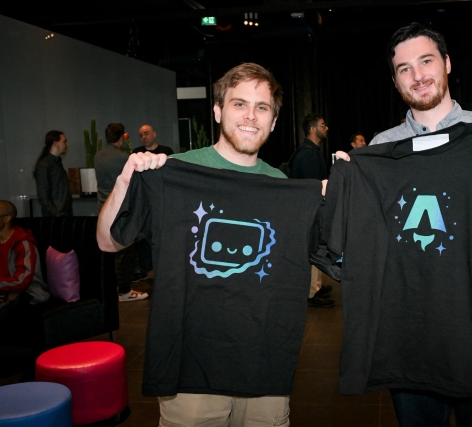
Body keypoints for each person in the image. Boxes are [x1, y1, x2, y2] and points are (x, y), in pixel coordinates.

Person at [334, 23, 472, 426]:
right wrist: (347, 184)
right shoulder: (382, 148)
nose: (417, 75)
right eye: (405, 68)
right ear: (395, 79)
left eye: (426, 61)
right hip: (410, 332)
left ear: (447, 64)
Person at [97, 63, 325, 427]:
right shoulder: (174, 172)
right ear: (218, 111)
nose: (251, 116)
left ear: (274, 120)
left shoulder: (282, 186)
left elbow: (332, 252)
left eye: (262, 107)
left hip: (263, 367)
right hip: (191, 370)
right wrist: (126, 180)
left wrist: (337, 195)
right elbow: (107, 242)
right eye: (239, 104)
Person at [95, 123, 148, 303]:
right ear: (121, 138)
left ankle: (111, 289)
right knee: (126, 252)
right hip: (121, 212)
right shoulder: (125, 158)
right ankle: (124, 291)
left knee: (108, 254)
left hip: (103, 209)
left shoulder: (98, 156)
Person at [291, 114, 334, 308]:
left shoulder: (312, 151)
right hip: (308, 210)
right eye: (323, 125)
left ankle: (315, 287)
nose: (326, 128)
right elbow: (311, 186)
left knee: (315, 246)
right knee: (312, 247)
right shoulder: (307, 154)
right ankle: (310, 292)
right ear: (312, 129)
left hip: (311, 209)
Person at [0, 200, 50, 344]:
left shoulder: (23, 243)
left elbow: (22, 280)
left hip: (28, 293)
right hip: (1, 290)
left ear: (7, 218)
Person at [130, 124, 174, 281]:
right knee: (143, 238)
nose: (144, 137)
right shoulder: (136, 153)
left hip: (162, 201)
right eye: (141, 134)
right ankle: (143, 269)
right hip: (144, 201)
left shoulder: (166, 152)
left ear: (154, 134)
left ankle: (162, 270)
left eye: (146, 133)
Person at [33, 130, 73, 217]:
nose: (67, 145)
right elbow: (43, 195)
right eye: (64, 141)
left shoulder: (57, 163)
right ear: (55, 143)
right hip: (55, 215)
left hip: (64, 212)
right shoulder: (44, 165)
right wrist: (56, 213)